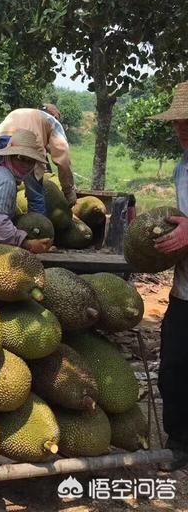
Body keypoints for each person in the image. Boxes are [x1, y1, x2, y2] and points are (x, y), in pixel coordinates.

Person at [149, 81, 188, 471]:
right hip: (184, 287)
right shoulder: (181, 167)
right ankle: (180, 441)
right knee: (174, 367)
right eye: (178, 121)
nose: (182, 129)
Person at [0, 105, 77, 213]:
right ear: (54, 116)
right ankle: (38, 225)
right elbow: (63, 158)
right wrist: (68, 191)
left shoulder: (21, 112)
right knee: (35, 196)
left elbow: (47, 145)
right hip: (25, 147)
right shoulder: (52, 121)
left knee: (2, 189)